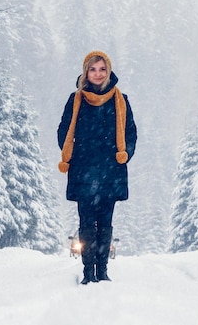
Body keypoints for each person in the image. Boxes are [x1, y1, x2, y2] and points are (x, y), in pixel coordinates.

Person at [58, 51, 137, 285]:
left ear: (109, 71)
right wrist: (73, 154)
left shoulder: (121, 100)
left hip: (110, 171)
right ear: (86, 72)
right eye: (93, 69)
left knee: (105, 222)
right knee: (85, 223)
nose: (98, 73)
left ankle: (102, 270)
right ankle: (87, 272)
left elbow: (130, 132)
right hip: (83, 171)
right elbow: (64, 131)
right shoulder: (75, 100)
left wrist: (125, 155)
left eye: (102, 69)